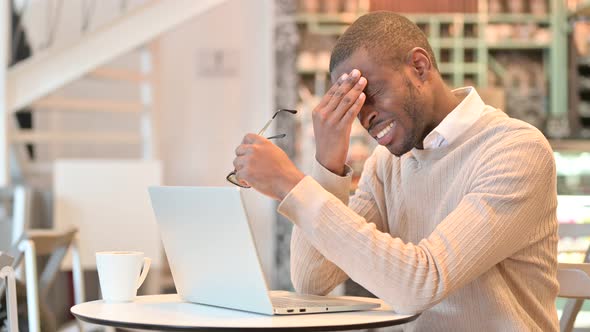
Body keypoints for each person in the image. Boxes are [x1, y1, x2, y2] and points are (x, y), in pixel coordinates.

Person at [232, 11, 558, 331]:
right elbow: (312, 279)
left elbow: (422, 284)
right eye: (354, 105)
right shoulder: (388, 163)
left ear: (419, 66)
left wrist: (292, 184)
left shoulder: (516, 149)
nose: (365, 117)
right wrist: (326, 166)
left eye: (369, 93)